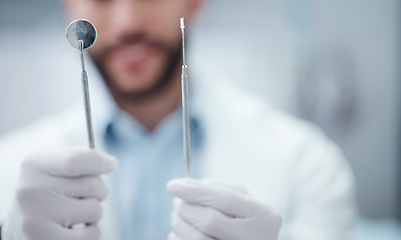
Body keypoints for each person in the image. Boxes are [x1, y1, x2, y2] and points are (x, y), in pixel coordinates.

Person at [0, 0, 356, 239]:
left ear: (196, 2)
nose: (127, 22)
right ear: (68, 7)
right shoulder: (8, 170)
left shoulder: (310, 165)